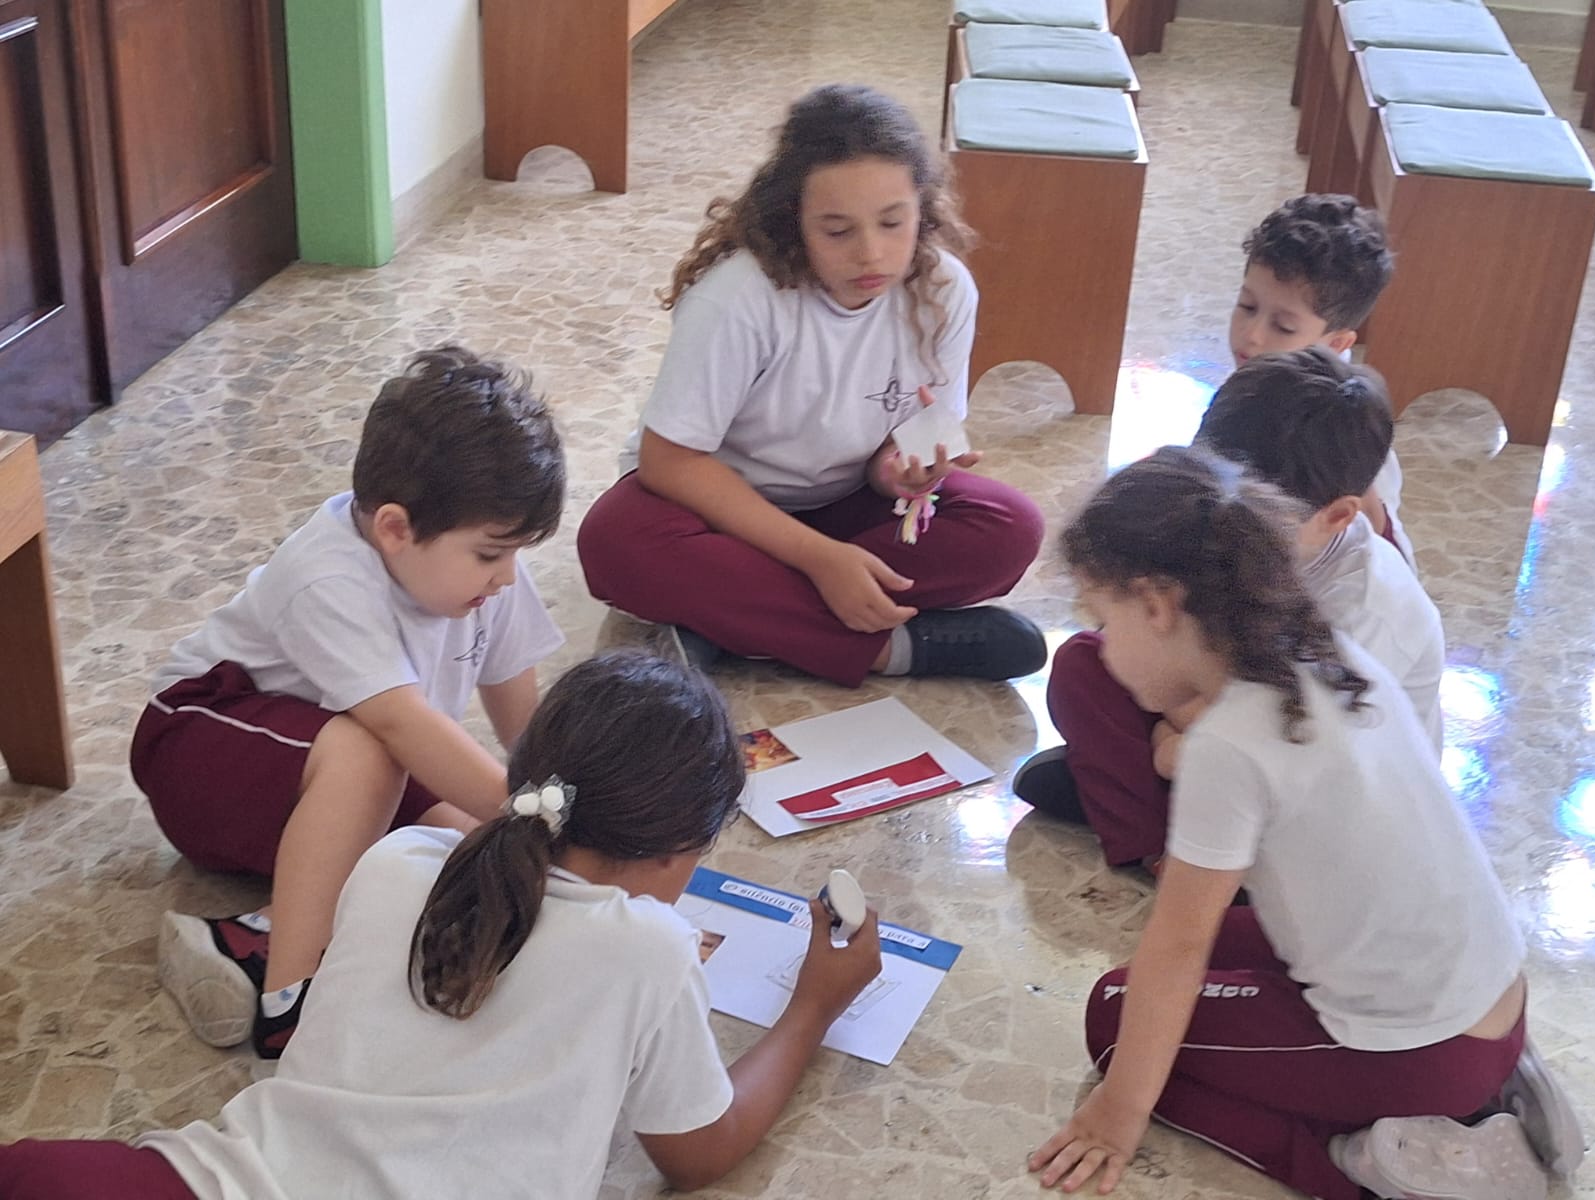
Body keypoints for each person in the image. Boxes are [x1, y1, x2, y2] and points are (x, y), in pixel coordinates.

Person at [2, 652, 884, 1200]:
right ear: (677, 854)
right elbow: (696, 1155)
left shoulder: (401, 861)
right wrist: (814, 1007)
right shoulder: (650, 951)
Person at [1025, 448, 1583, 1200]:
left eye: (1103, 620)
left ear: (1156, 606)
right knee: (1216, 954)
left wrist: (1116, 1115)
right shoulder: (1329, 650)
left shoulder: (1228, 745)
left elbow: (1177, 949)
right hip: (1496, 1007)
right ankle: (1488, 1098)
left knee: (1115, 1018)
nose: (1106, 648)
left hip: (1422, 1051)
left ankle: (1379, 1165)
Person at [130, 346, 566, 1057]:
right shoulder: (325, 575)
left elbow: (526, 739)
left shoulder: (488, 577)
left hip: (333, 777)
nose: (508, 576)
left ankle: (247, 939)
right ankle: (291, 1003)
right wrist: (547, 824)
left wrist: (566, 839)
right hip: (196, 748)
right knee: (383, 756)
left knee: (476, 850)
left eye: (515, 553)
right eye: (491, 555)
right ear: (394, 529)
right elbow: (398, 724)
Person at [576, 83, 1046, 687]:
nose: (871, 253)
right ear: (794, 223)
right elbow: (669, 462)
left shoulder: (944, 291)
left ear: (922, 210)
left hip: (845, 505)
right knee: (616, 540)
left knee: (1010, 526)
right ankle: (894, 649)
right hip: (716, 511)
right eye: (837, 231)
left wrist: (900, 472)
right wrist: (819, 560)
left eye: (893, 222)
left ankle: (731, 621)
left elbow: (902, 445)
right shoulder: (738, 298)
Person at [1016, 350, 1445, 868]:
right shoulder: (1218, 519)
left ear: (1336, 516)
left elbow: (1291, 749)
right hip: (1219, 722)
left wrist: (1170, 748)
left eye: (1261, 513)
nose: (1228, 525)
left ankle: (1150, 810)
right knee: (1086, 664)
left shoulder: (1367, 611)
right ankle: (1153, 842)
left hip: (1317, 811)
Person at [1228, 192, 1413, 568]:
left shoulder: (1340, 438)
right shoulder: (1261, 383)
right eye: (1247, 306)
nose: (1252, 335)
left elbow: (1379, 551)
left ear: (1337, 344)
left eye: (1284, 326)